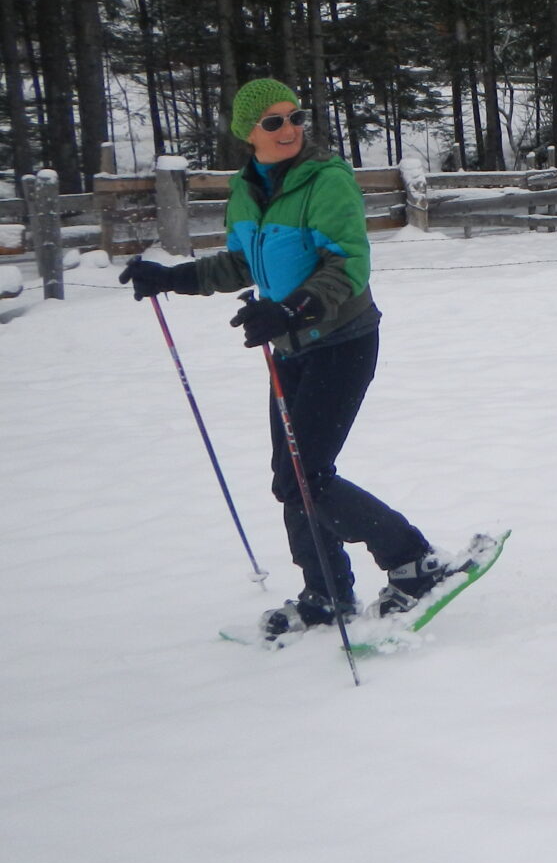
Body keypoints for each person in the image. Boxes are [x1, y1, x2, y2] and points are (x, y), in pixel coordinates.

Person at [120, 79, 484, 639]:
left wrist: (291, 310)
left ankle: (413, 561)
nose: (289, 129)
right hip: (289, 350)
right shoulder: (247, 190)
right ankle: (326, 593)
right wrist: (172, 277)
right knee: (290, 478)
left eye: (294, 117)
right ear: (249, 134)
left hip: (343, 341)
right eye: (274, 122)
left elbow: (349, 264)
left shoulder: (326, 180)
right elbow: (241, 264)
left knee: (306, 475)